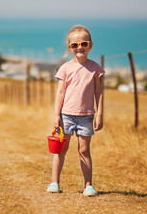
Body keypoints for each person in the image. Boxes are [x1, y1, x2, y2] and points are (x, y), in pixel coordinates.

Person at [47, 24, 105, 197]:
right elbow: (60, 92)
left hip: (87, 116)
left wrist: (100, 114)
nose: (79, 47)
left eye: (84, 44)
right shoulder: (65, 68)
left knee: (84, 150)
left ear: (90, 45)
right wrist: (56, 114)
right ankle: (54, 182)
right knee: (61, 150)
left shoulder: (95, 69)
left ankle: (88, 185)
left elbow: (99, 92)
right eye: (75, 45)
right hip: (66, 115)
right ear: (70, 47)